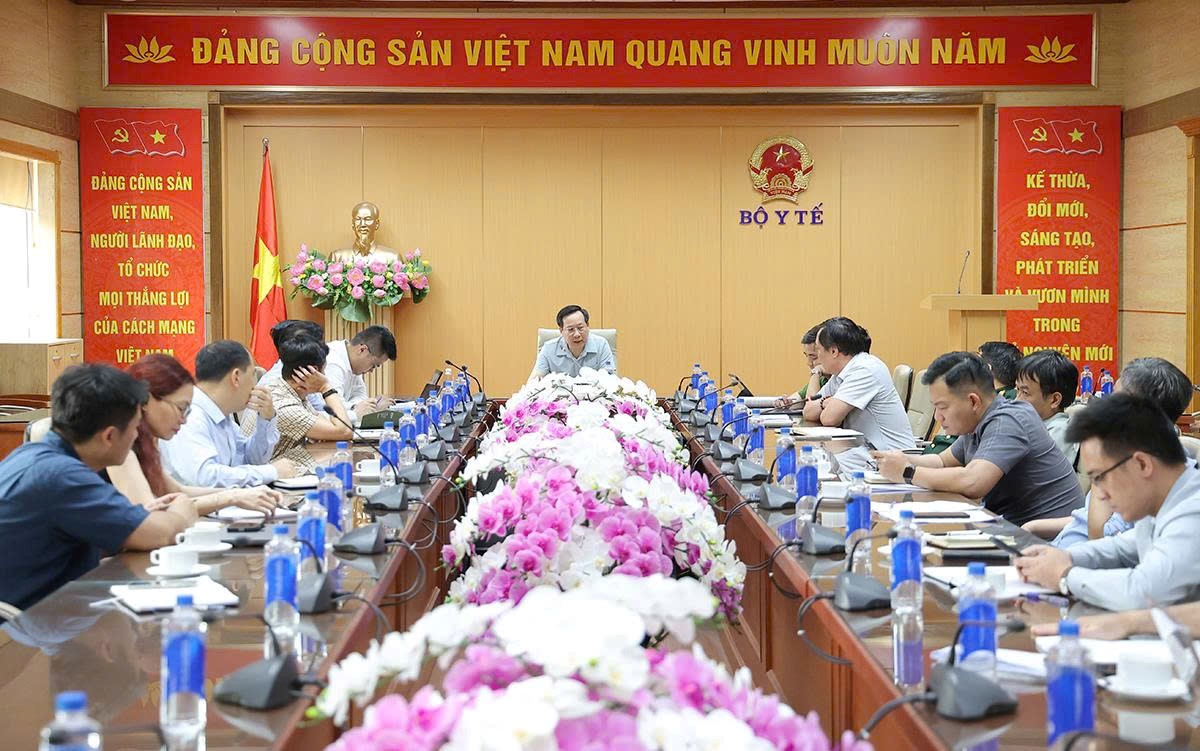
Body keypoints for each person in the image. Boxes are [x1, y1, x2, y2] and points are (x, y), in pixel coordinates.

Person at [0, 364, 197, 611]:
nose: (137, 436)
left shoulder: (33, 456)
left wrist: (135, 520)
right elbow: (161, 534)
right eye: (135, 428)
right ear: (109, 436)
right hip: (25, 627)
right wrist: (181, 512)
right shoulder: (63, 477)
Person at [1015, 394, 1200, 611]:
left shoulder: (1193, 510)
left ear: (1142, 464)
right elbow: (1122, 549)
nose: (1100, 495)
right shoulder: (1164, 501)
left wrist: (1065, 576)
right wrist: (1063, 557)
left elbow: (1144, 593)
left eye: (1100, 477)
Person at [872, 352, 1083, 526]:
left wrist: (908, 472)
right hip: (1009, 527)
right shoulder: (980, 420)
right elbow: (942, 461)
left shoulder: (1009, 420)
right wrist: (894, 460)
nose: (937, 417)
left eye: (943, 407)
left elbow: (973, 482)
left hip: (1045, 540)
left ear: (973, 402)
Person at [1043, 357, 1195, 546]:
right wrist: (1032, 527)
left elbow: (1102, 540)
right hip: (1062, 548)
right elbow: (1084, 519)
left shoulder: (1153, 472)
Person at [108, 354, 284, 516]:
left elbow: (178, 492)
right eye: (181, 408)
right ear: (146, 400)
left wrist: (242, 494)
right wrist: (231, 497)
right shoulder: (120, 448)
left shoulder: (146, 442)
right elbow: (151, 514)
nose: (184, 419)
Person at [162, 340, 297, 487]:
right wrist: (271, 471)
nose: (256, 386)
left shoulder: (221, 414)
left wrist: (266, 419)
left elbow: (251, 459)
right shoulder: (190, 415)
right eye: (253, 375)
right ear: (236, 377)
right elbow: (204, 478)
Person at [800, 317, 914, 470]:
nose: (817, 357)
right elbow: (808, 411)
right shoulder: (841, 373)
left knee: (813, 467)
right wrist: (826, 402)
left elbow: (829, 418)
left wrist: (826, 403)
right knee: (813, 463)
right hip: (864, 455)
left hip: (891, 462)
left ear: (833, 351)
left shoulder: (865, 369)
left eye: (818, 350)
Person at [261, 335, 355, 472]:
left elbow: (332, 428)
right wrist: (326, 387)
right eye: (323, 372)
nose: (325, 376)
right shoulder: (283, 404)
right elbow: (344, 431)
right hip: (270, 478)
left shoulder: (289, 391)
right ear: (312, 373)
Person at [1013, 350, 1079, 467]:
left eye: (1025, 392)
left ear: (1054, 400)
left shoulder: (1059, 431)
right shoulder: (1033, 425)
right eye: (1017, 390)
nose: (1016, 400)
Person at [529, 304, 616, 379]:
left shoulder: (601, 345)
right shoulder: (549, 348)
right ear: (561, 331)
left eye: (580, 328)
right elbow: (534, 382)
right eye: (571, 329)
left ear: (587, 326)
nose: (577, 334)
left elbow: (609, 380)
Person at [774, 321, 831, 408]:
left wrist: (815, 372)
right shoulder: (822, 379)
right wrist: (785, 403)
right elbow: (794, 403)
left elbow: (811, 406)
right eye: (807, 356)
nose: (809, 363)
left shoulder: (839, 380)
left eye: (814, 357)